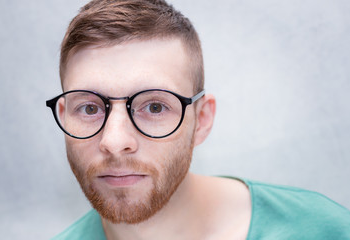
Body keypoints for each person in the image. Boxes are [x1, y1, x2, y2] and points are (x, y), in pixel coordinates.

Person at [46, 0, 350, 239]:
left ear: (201, 120)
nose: (114, 142)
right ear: (63, 116)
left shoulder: (325, 231)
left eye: (154, 107)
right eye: (88, 109)